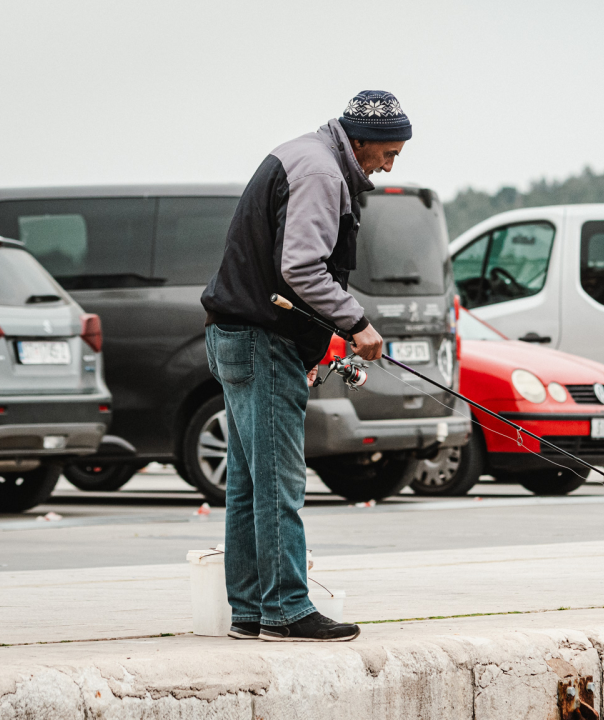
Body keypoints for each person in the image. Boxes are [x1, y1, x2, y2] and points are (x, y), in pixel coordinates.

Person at [199, 90, 411, 641]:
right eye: (387, 152)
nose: (389, 164)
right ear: (360, 140)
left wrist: (311, 350)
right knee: (279, 481)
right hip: (261, 339)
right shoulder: (320, 171)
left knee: (249, 482)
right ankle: (288, 609)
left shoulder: (305, 154)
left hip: (238, 335)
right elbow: (301, 267)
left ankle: (250, 610)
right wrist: (357, 324)